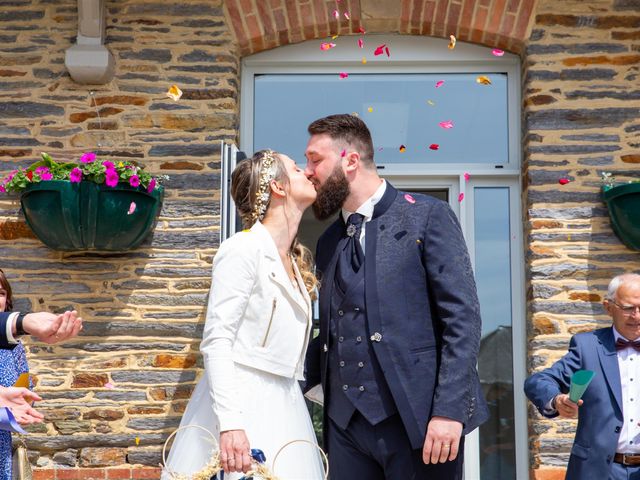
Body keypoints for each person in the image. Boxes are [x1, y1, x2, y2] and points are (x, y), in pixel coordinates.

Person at [303, 113, 488, 479]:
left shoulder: (427, 216)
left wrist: (449, 411)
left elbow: (462, 320)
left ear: (350, 161)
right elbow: (335, 330)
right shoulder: (328, 241)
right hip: (344, 427)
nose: (308, 171)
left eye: (315, 159)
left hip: (420, 421)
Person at [163, 150, 325, 479]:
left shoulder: (294, 263)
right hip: (244, 400)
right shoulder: (242, 249)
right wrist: (231, 425)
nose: (308, 172)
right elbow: (218, 340)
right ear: (278, 187)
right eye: (296, 168)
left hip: (286, 405)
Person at [525, 273, 640, 480]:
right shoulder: (587, 347)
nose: (637, 316)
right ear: (608, 307)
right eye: (628, 308)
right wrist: (556, 400)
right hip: (598, 471)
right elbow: (538, 382)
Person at [0, 269, 83, 479]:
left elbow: (24, 388)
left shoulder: (14, 347)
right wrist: (24, 322)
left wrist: (23, 404)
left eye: (0, 293)